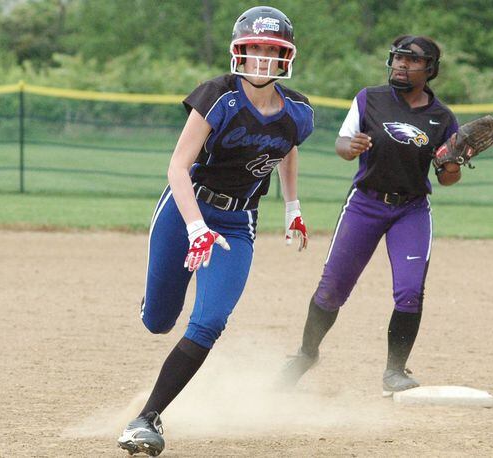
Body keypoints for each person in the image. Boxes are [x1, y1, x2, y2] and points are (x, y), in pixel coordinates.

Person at [116, 6, 313, 456]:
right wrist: (195, 227)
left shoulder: (298, 110)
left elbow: (286, 150)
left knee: (209, 321)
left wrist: (293, 207)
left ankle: (146, 418)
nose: (262, 57)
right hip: (186, 209)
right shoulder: (219, 96)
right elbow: (177, 168)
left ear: (286, 56)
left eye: (271, 49)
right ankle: (155, 299)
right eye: (254, 48)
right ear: (238, 51)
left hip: (238, 222)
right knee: (159, 322)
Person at [279, 35, 461, 396]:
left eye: (411, 61)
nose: (401, 66)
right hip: (365, 204)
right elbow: (342, 145)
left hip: (411, 209)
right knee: (331, 290)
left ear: (431, 69)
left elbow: (448, 177)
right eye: (397, 58)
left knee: (410, 291)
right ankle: (306, 354)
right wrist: (353, 147)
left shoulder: (442, 118)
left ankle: (394, 371)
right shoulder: (369, 99)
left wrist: (452, 161)